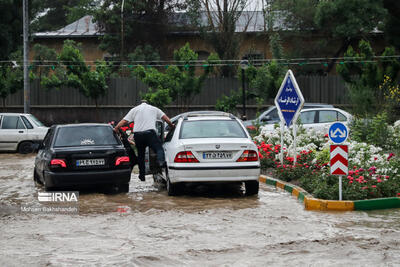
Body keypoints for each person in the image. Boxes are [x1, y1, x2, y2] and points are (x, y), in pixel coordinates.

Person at [114, 100, 175, 181]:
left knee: (141, 155)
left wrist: (116, 128)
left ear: (140, 103)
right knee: (159, 148)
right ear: (148, 103)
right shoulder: (154, 109)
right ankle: (160, 162)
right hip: (150, 133)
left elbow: (124, 120)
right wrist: (171, 125)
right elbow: (165, 118)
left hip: (138, 135)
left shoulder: (134, 110)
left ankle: (142, 175)